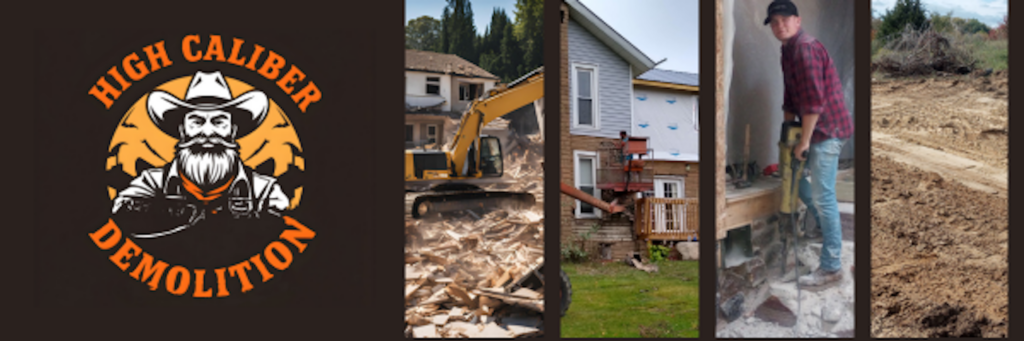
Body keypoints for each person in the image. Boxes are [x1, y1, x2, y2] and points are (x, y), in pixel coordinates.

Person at [112, 71, 290, 238]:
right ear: (182, 130)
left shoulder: (264, 191)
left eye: (218, 122)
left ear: (233, 131)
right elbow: (121, 218)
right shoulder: (151, 182)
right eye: (196, 122)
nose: (207, 132)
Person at [765, 0, 853, 287]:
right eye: (774, 22)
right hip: (810, 128)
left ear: (797, 21)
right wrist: (787, 135)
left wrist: (802, 141)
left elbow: (814, 102)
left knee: (824, 194)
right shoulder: (786, 51)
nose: (780, 26)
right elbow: (791, 97)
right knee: (797, 180)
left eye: (784, 20)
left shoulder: (805, 49)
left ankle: (831, 268)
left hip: (828, 130)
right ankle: (827, 232)